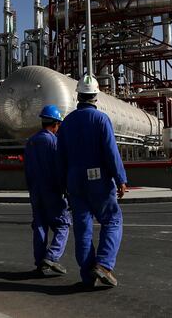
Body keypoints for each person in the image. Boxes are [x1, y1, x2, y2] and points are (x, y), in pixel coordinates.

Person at [57, 74, 127, 288]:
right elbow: (111, 152)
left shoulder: (67, 122)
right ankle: (104, 265)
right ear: (95, 95)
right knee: (112, 220)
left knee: (82, 228)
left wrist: (63, 184)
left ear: (77, 95)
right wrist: (121, 178)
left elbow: (60, 156)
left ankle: (88, 275)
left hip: (74, 181)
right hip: (98, 179)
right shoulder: (101, 119)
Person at [24, 104, 71, 275]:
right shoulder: (54, 141)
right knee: (63, 224)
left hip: (35, 190)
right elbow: (59, 168)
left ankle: (40, 262)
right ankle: (51, 257)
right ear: (56, 124)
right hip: (52, 189)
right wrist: (65, 189)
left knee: (40, 225)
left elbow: (27, 169)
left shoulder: (31, 142)